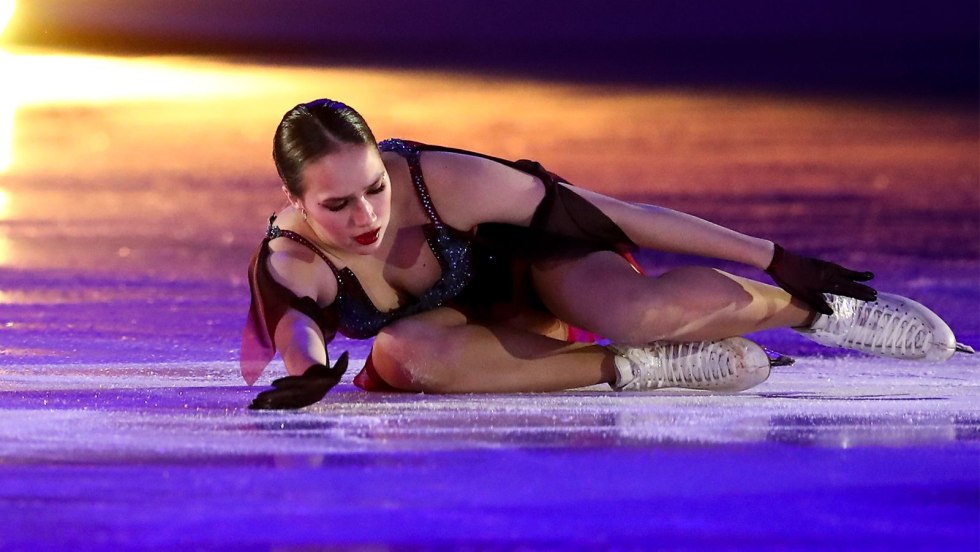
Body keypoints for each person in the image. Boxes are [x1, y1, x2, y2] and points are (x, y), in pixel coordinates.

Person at [241, 99, 970, 410]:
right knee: (403, 357)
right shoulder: (293, 256)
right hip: (473, 342)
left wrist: (773, 257)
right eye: (337, 205)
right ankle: (644, 371)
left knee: (637, 308)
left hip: (543, 283)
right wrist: (306, 375)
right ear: (293, 196)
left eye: (372, 187)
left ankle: (813, 314)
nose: (366, 215)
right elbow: (295, 325)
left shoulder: (444, 181)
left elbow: (625, 216)